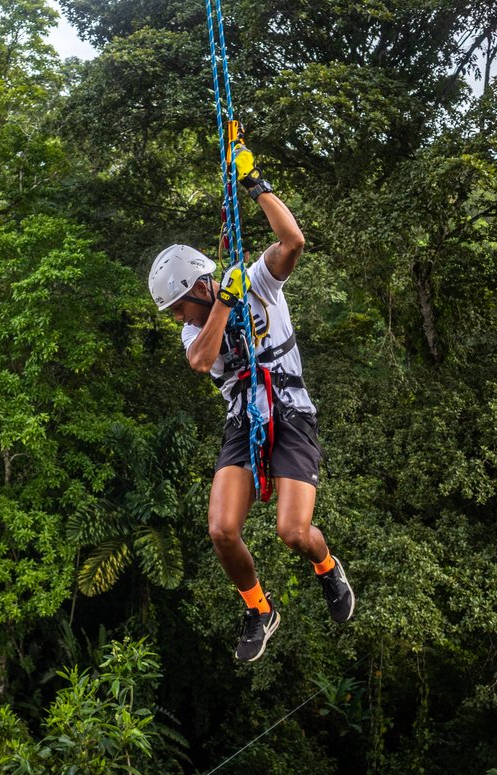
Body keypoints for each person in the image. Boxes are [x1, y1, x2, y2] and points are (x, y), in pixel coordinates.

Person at [147, 143, 354, 662]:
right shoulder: (199, 327)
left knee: (293, 532)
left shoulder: (257, 282)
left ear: (196, 287)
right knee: (221, 530)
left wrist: (255, 183)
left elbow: (293, 241)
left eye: (179, 307)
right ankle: (259, 608)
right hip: (245, 420)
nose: (179, 319)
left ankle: (327, 569)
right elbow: (201, 361)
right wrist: (221, 304)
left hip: (290, 410)